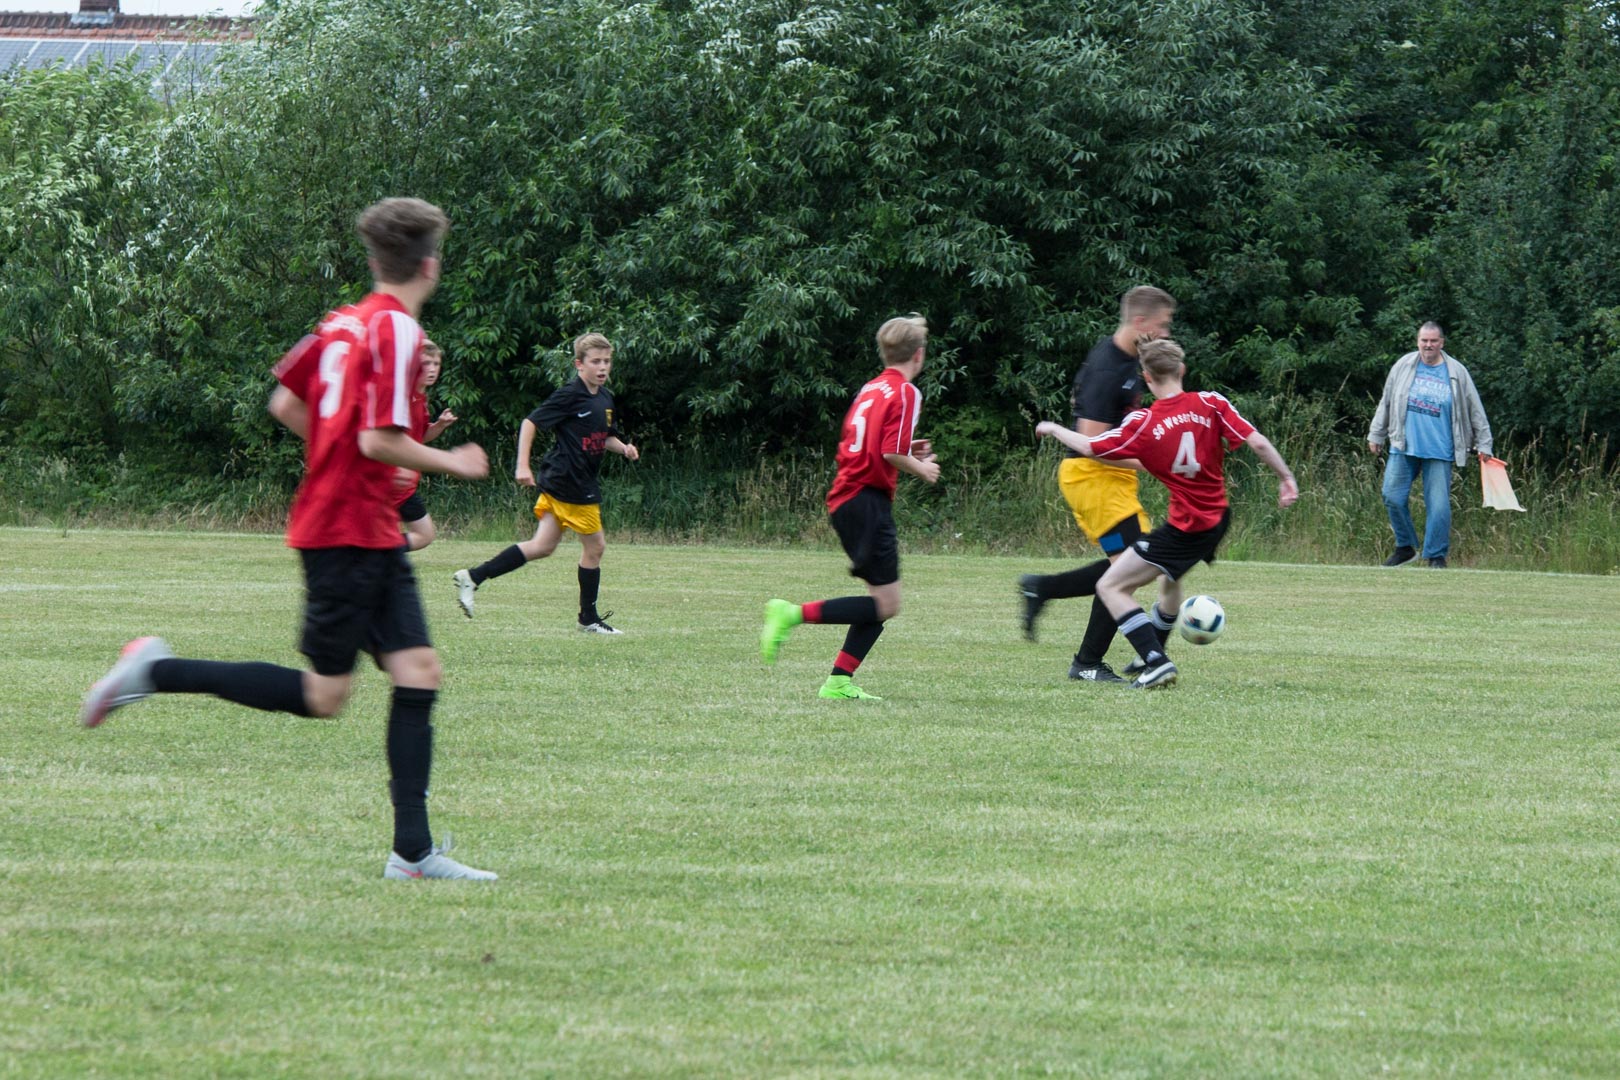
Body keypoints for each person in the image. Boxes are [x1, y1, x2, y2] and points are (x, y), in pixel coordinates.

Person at [78, 197, 498, 881]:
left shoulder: (342, 322)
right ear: (430, 265)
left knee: (418, 671)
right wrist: (454, 460)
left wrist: (341, 458)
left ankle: (412, 855)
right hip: (344, 532)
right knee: (324, 696)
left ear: (375, 261)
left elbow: (285, 403)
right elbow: (378, 439)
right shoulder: (397, 330)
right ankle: (153, 671)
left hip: (366, 526)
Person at [1035, 338, 1298, 689]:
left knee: (1110, 585)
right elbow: (1259, 443)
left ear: (1146, 378)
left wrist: (1054, 429)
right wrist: (1286, 478)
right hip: (1217, 519)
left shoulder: (1144, 422)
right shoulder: (1212, 403)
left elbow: (1091, 447)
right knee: (1169, 578)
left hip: (1186, 529)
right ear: (1182, 369)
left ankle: (1156, 661)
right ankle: (1154, 648)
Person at [760, 314, 941, 700]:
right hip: (866, 501)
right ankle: (790, 614)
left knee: (881, 602)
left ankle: (839, 682)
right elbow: (891, 453)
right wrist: (922, 467)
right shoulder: (906, 392)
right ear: (919, 354)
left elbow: (874, 443)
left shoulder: (872, 387)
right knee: (887, 604)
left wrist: (909, 449)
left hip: (849, 498)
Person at [1017, 286, 1177, 683]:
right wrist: (1153, 462)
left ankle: (1043, 590)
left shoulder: (1131, 359)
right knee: (1129, 570)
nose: (1166, 334)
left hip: (1113, 477)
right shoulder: (1108, 370)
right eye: (1162, 326)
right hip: (1091, 476)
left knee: (1130, 568)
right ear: (1140, 322)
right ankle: (1090, 661)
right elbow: (1091, 445)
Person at [452, 333, 639, 633]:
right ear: (579, 364)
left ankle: (473, 577)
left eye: (607, 361)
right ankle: (588, 619)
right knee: (596, 547)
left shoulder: (605, 398)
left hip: (564, 481)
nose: (603, 367)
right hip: (570, 483)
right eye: (596, 361)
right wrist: (522, 464)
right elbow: (530, 422)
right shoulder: (570, 395)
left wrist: (625, 448)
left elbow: (605, 437)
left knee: (542, 546)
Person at [1367, 322, 1493, 568]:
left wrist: (1484, 443)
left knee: (1438, 506)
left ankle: (1436, 556)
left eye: (1434, 341)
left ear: (1442, 343)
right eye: (1424, 340)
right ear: (1418, 341)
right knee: (1392, 496)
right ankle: (1405, 547)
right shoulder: (1403, 366)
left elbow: (1475, 409)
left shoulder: (1456, 372)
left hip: (1440, 450)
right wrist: (1376, 434)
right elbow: (1387, 400)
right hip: (1404, 446)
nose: (1428, 345)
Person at [397, 339, 459, 552]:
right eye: (425, 363)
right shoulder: (401, 397)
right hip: (388, 481)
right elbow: (385, 440)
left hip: (402, 483)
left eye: (436, 364)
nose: (432, 369)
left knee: (424, 535)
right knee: (421, 534)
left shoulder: (419, 397)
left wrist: (440, 425)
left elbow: (419, 437)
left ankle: (370, 554)